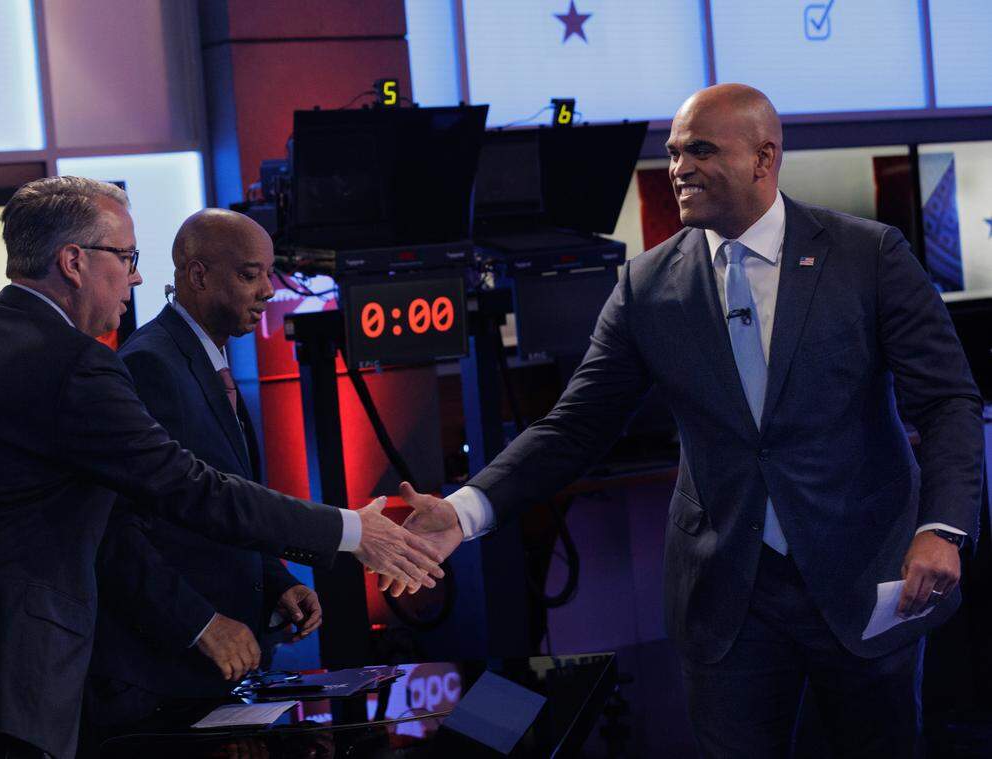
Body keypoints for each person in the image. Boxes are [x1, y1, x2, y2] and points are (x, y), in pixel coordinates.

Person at [393, 84, 984, 757]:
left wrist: (941, 528)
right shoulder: (647, 286)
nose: (679, 168)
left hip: (866, 574)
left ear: (765, 158)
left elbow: (948, 401)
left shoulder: (866, 255)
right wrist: (465, 510)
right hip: (727, 597)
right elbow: (575, 425)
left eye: (702, 150)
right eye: (674, 153)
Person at [0, 177, 443, 759]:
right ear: (73, 262)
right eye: (125, 257)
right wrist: (349, 531)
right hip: (2, 687)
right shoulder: (73, 365)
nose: (137, 277)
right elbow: (189, 487)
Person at [85, 209, 317, 729]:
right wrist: (200, 623)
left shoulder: (207, 357)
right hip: (167, 673)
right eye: (249, 274)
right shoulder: (150, 363)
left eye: (269, 275)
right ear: (198, 275)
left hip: (224, 668)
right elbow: (122, 528)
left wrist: (276, 578)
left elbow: (223, 502)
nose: (267, 291)